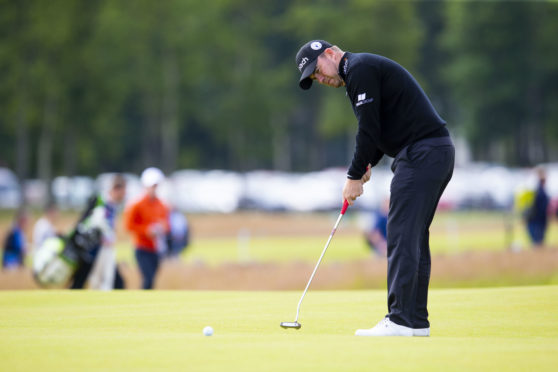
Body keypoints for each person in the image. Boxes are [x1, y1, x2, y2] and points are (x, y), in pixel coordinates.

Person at [296, 40, 455, 336]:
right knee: (414, 236)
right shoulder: (358, 74)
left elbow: (367, 130)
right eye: (314, 79)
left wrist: (354, 175)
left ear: (329, 54)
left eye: (317, 71)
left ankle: (399, 320)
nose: (320, 79)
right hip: (432, 152)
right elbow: (380, 130)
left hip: (422, 154)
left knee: (400, 232)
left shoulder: (359, 69)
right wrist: (368, 163)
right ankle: (415, 321)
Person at [70, 174, 128, 289]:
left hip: (102, 250)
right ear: (117, 189)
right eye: (123, 190)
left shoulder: (112, 204)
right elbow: (87, 221)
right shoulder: (101, 201)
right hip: (90, 249)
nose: (125, 194)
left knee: (116, 283)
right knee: (80, 280)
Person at [124, 167, 170, 289]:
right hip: (141, 247)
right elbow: (129, 226)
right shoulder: (136, 204)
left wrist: (161, 229)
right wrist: (146, 231)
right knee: (148, 278)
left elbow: (167, 225)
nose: (154, 189)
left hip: (156, 248)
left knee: (152, 279)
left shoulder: (162, 204)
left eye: (156, 186)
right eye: (152, 186)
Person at [524, 167, 550, 248]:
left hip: (535, 219)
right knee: (537, 241)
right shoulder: (539, 190)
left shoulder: (538, 189)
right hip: (537, 219)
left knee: (537, 241)